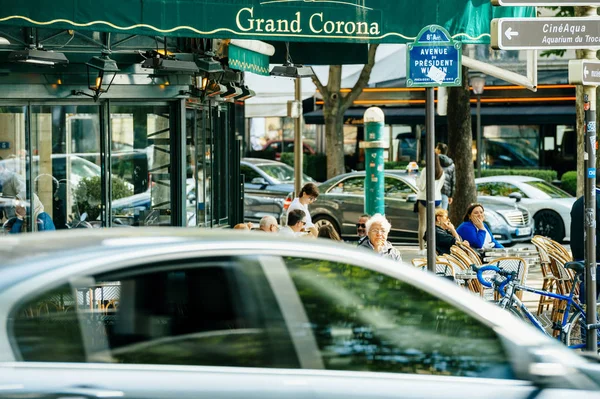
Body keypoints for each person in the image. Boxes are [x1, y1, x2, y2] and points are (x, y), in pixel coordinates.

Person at [569, 189, 600, 302]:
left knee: (587, 287)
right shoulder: (595, 201)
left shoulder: (580, 201)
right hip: (595, 257)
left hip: (581, 254)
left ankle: (584, 314)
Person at [416, 154, 445, 253]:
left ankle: (422, 248)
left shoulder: (425, 170)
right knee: (437, 224)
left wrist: (416, 179)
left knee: (422, 224)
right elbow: (440, 187)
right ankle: (436, 247)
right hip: (437, 198)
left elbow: (422, 186)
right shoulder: (441, 172)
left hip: (424, 198)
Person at [435, 143, 455, 211]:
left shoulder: (434, 161)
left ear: (439, 151)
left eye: (436, 148)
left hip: (435, 191)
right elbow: (453, 181)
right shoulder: (451, 164)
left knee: (433, 216)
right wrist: (451, 196)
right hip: (445, 193)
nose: (435, 149)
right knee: (442, 215)